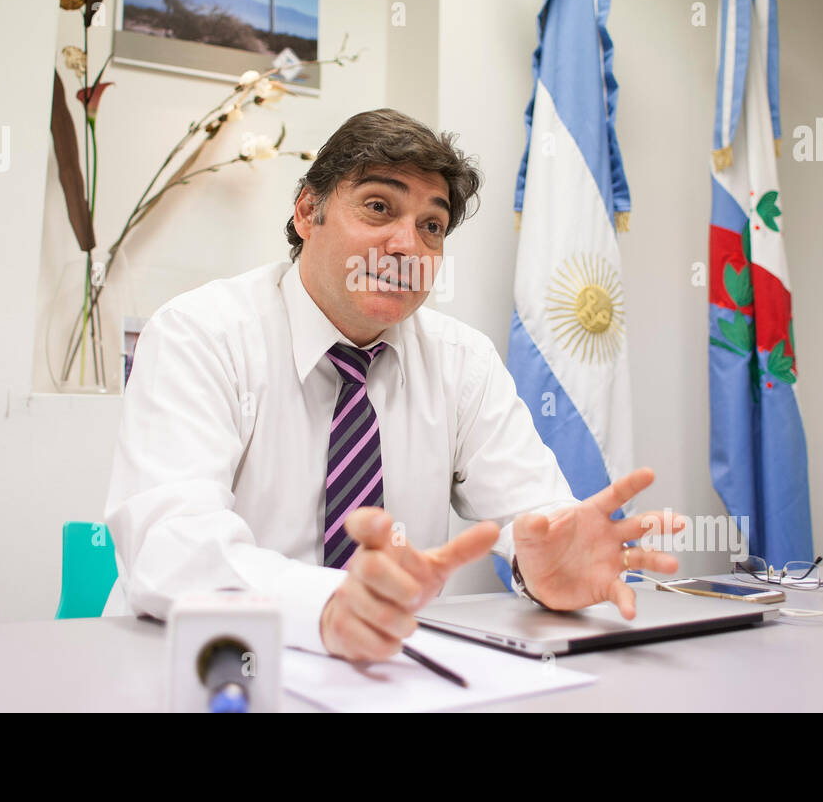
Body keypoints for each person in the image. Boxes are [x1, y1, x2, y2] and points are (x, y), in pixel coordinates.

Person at [103, 107, 685, 661]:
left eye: (431, 225)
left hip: (389, 674)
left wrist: (545, 565)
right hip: (204, 663)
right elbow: (170, 546)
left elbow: (536, 517)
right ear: (307, 212)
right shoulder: (199, 334)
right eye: (379, 207)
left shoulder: (463, 361)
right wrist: (328, 607)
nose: (408, 244)